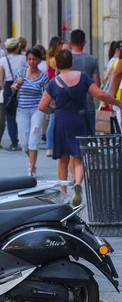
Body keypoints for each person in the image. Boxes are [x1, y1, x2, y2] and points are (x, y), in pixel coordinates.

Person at [39, 50, 122, 206]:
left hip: (62, 122)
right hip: (79, 119)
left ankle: (63, 192)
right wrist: (117, 103)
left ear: (57, 65)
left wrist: (54, 109)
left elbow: (42, 106)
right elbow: (100, 94)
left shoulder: (53, 83)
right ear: (72, 62)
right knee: (79, 158)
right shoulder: (82, 78)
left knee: (62, 159)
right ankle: (77, 184)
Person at [11, 48, 49, 178]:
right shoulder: (21, 73)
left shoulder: (43, 76)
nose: (31, 62)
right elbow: (12, 89)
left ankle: (31, 168)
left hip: (36, 110)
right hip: (21, 110)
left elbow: (46, 93)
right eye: (29, 59)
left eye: (34, 59)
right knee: (23, 143)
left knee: (34, 139)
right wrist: (17, 84)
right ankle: (32, 159)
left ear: (39, 60)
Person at [69, 29, 101, 135]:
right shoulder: (92, 60)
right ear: (85, 42)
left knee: (71, 141)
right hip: (88, 105)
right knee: (89, 141)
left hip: (68, 105)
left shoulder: (64, 59)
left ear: (70, 43)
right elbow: (97, 85)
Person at [0, 38, 27, 150]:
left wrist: (3, 88)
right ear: (17, 48)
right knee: (22, 114)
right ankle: (22, 139)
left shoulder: (3, 60)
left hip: (9, 87)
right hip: (21, 85)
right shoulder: (23, 58)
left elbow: (0, 78)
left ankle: (13, 142)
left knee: (10, 116)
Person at [45, 36, 65, 157]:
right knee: (53, 119)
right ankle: (50, 145)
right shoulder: (55, 59)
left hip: (54, 88)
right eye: (61, 43)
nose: (63, 45)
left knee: (54, 118)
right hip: (57, 88)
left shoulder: (50, 58)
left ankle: (51, 145)